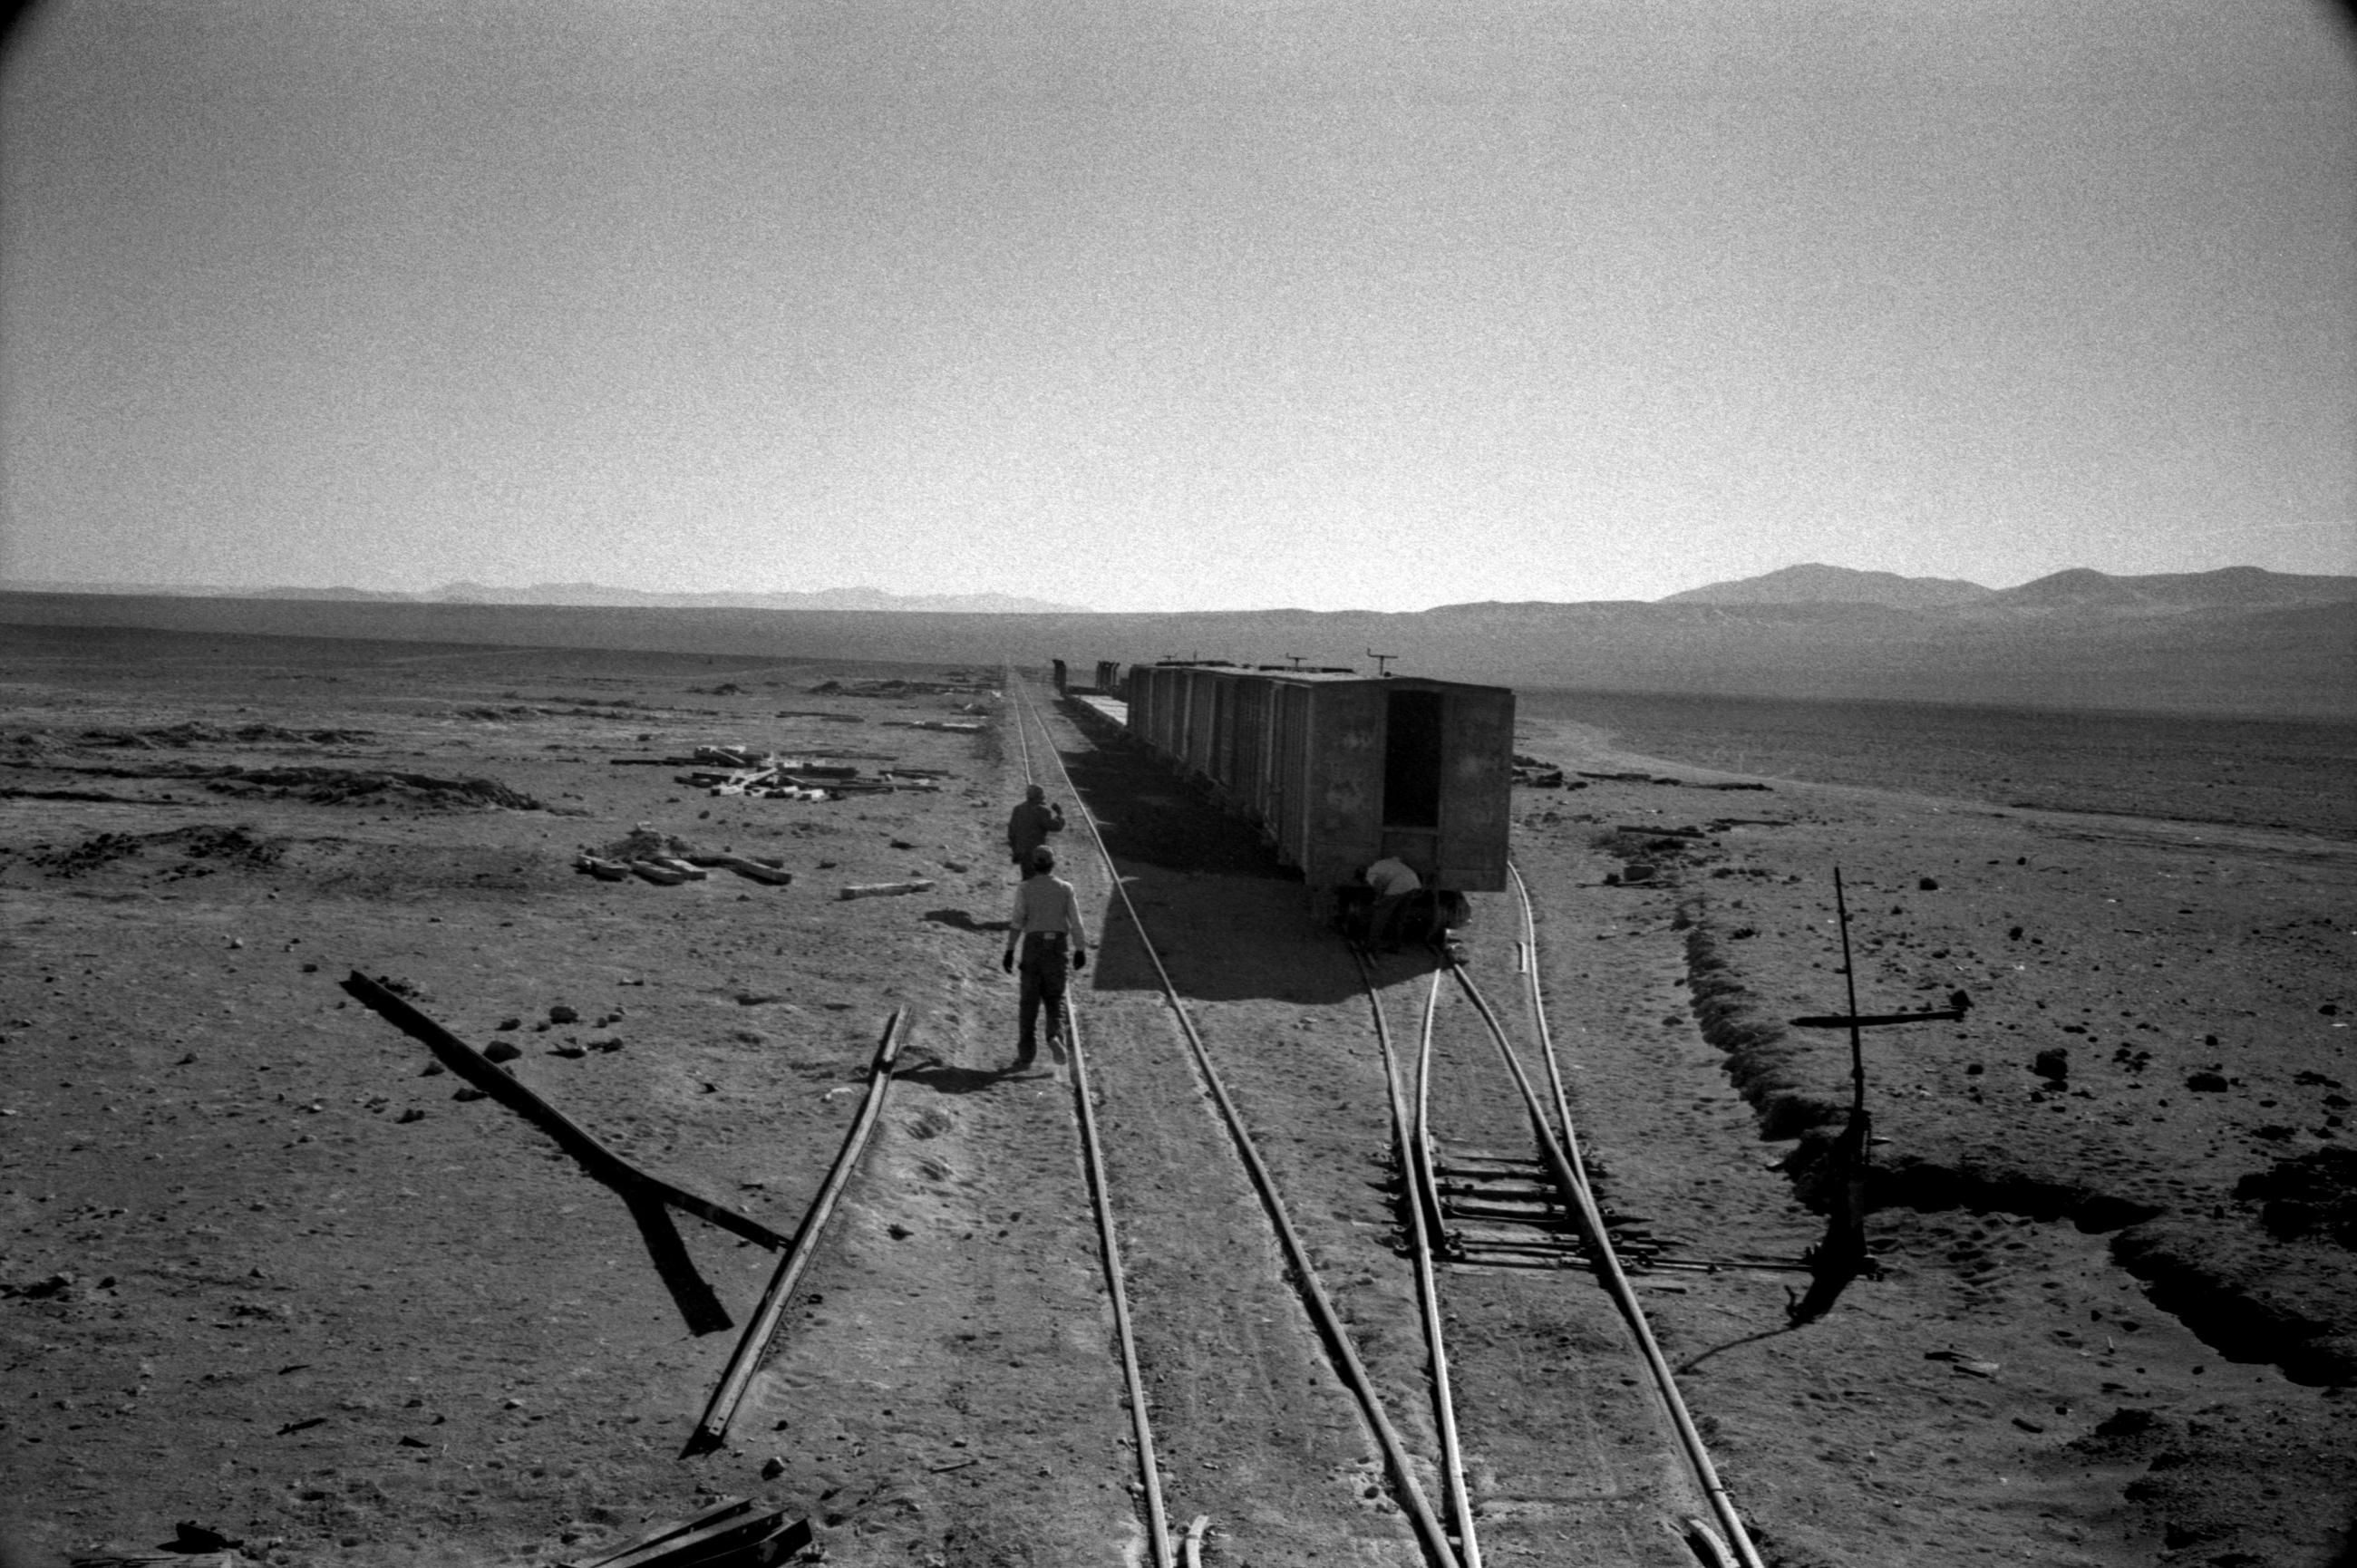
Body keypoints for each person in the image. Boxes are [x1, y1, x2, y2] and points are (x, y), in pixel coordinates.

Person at [1003, 847, 1088, 1067]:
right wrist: (1080, 948)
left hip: (1033, 946)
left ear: (1033, 864)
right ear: (1053, 865)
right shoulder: (1065, 888)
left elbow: (1017, 921)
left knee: (1028, 1002)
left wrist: (1010, 950)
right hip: (1057, 947)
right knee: (1055, 997)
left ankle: (1026, 1054)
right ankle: (1054, 1037)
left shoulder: (1025, 888)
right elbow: (1076, 921)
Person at [1362, 855, 1423, 952]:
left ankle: (1371, 945)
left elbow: (1378, 886)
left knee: (1380, 916)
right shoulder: (1383, 863)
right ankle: (1395, 945)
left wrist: (1378, 900)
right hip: (1414, 883)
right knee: (1399, 917)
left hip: (1398, 885)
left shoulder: (1370, 873)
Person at [1006, 784, 1065, 876]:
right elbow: (1056, 826)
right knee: (1039, 880)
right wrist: (1059, 813)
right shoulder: (1042, 811)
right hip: (1037, 854)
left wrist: (1015, 850)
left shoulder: (1017, 809)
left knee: (1027, 879)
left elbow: (1011, 832)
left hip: (1022, 852)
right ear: (1041, 797)